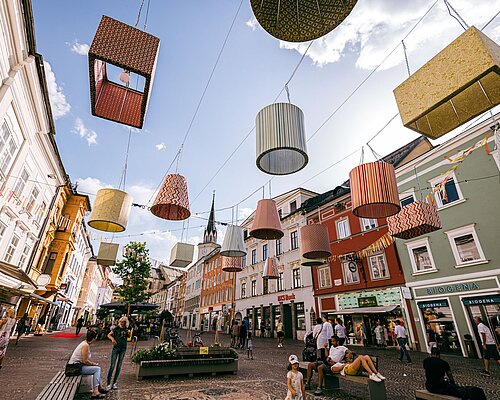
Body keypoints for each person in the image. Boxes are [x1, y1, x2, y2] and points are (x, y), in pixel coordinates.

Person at [68, 329, 108, 398]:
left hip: (77, 366)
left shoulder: (85, 343)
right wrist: (93, 364)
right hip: (74, 368)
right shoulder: (85, 345)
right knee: (97, 369)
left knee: (96, 368)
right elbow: (85, 361)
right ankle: (95, 392)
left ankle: (99, 387)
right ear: (93, 338)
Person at [106, 316, 129, 390]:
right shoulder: (116, 328)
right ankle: (108, 383)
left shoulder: (126, 329)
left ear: (125, 322)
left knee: (119, 366)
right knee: (112, 365)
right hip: (116, 348)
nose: (122, 323)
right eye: (121, 322)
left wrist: (128, 333)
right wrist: (112, 339)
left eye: (123, 322)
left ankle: (114, 382)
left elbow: (128, 338)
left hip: (123, 348)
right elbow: (109, 335)